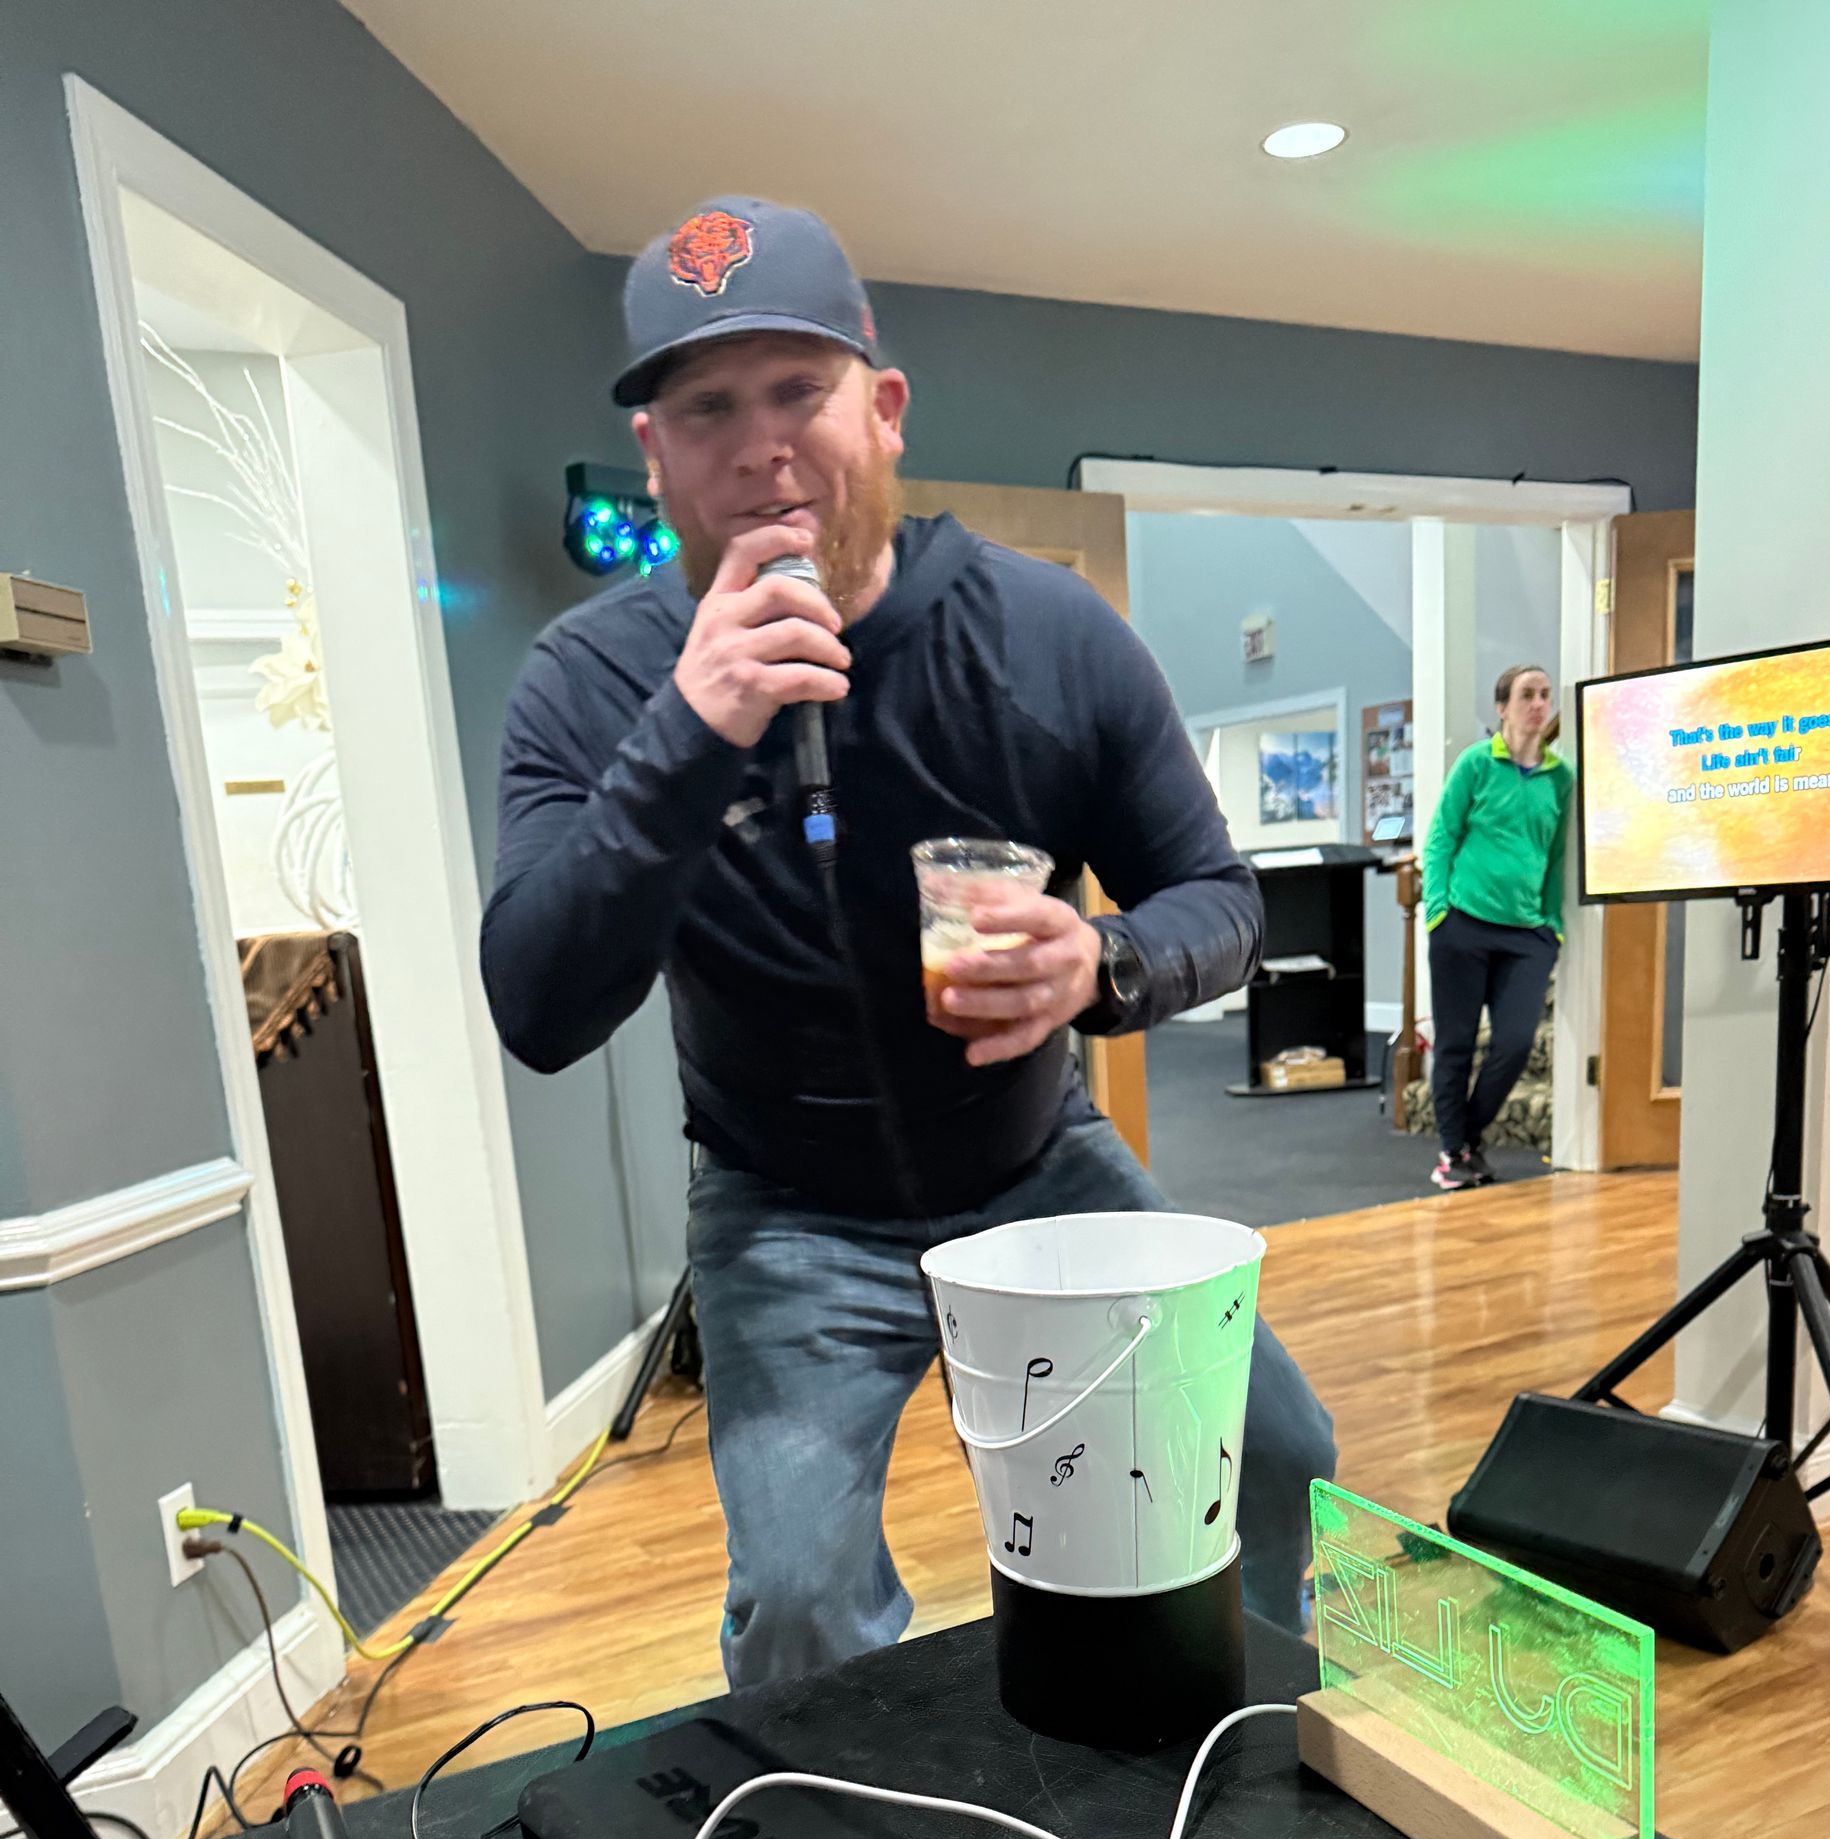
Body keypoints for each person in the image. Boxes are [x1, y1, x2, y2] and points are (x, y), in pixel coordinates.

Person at [482, 195, 1335, 1687]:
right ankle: (848, 1830)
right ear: (655, 453)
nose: (760, 446)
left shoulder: (1047, 632)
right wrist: (690, 733)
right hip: (785, 1210)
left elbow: (1220, 900)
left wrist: (1100, 964)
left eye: (796, 391)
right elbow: (539, 1007)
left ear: (881, 411)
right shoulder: (590, 678)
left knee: (1277, 1451)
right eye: (707, 408)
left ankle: (1245, 1740)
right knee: (801, 1603)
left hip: (1037, 1164)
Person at [1420, 662, 1573, 1191]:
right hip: (1462, 925)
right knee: (1456, 1044)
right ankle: (1453, 1153)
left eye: (1545, 695)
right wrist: (1437, 911)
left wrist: (1552, 925)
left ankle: (1465, 1138)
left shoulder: (1561, 778)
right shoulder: (1476, 764)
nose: (1539, 704)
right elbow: (1441, 838)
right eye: (1527, 695)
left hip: (1528, 936)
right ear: (1502, 707)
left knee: (1514, 1043)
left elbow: (1557, 857)